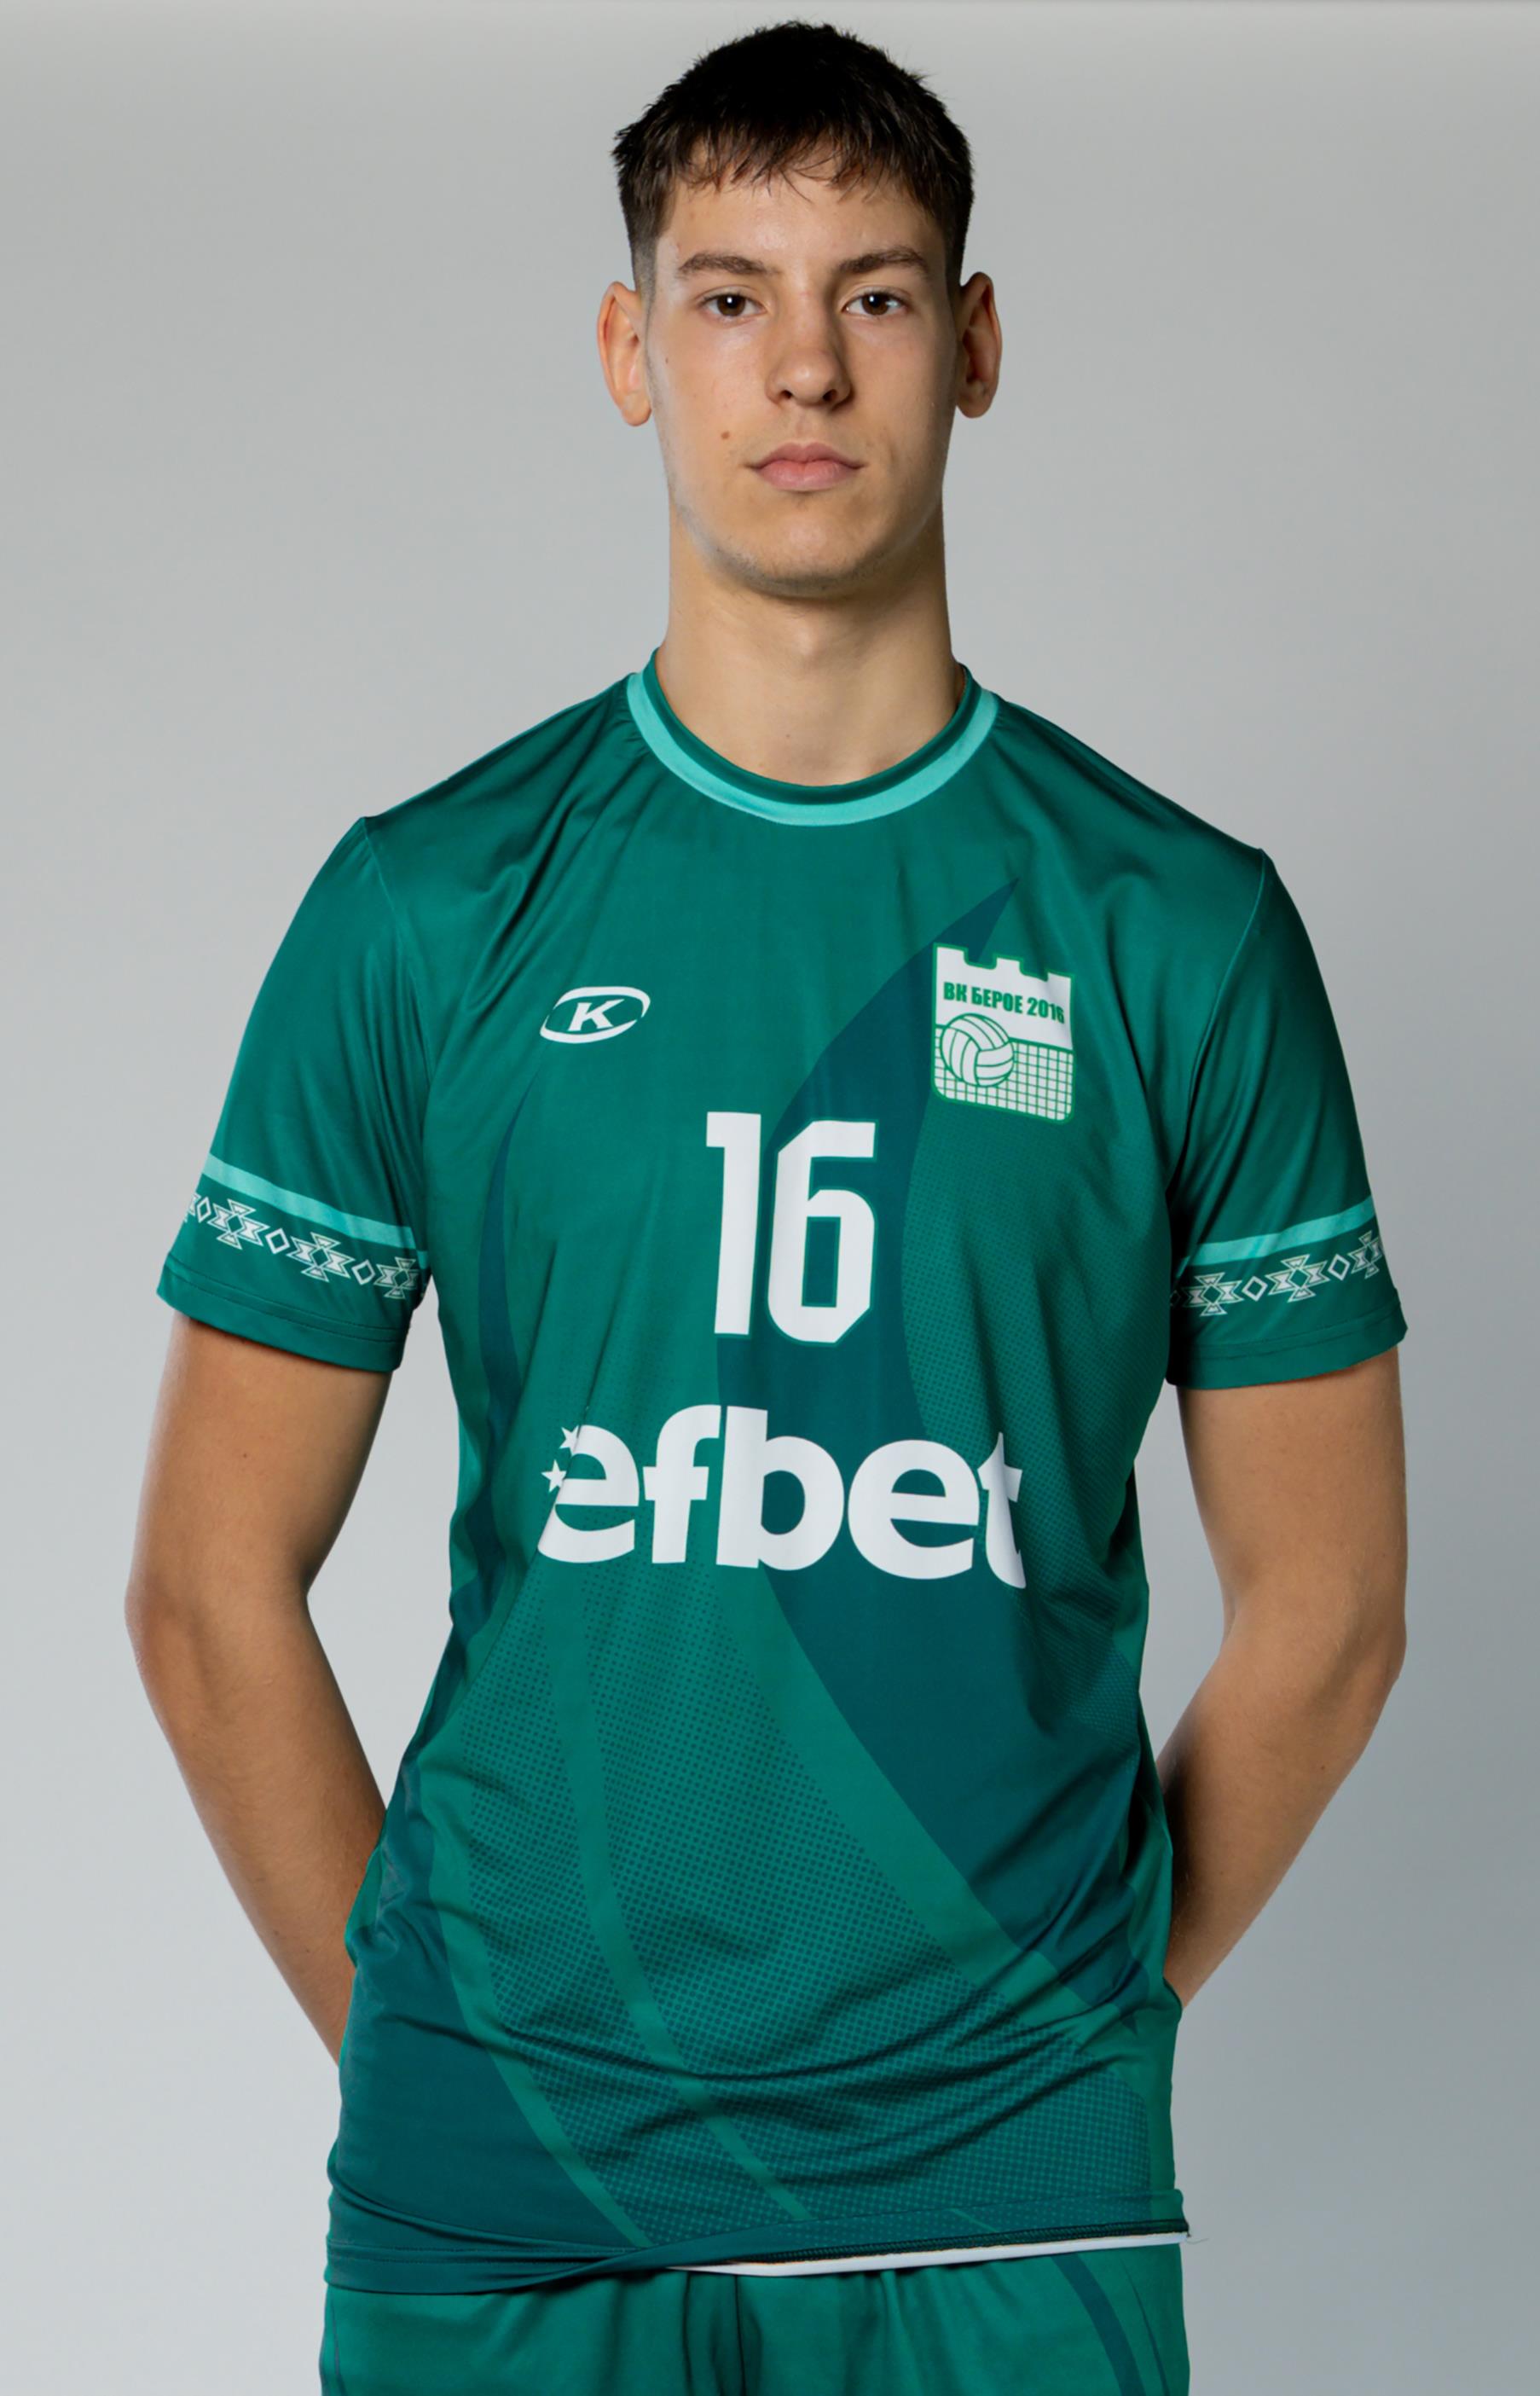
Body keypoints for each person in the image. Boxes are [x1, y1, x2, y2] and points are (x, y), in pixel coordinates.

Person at [126, 20, 1409, 2394]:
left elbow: (1330, 1608)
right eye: (729, 296)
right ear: (633, 350)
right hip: (500, 2209)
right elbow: (208, 1581)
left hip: (1015, 2204)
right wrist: (441, 2048)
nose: (803, 365)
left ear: (977, 342)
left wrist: (1063, 2023)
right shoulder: (427, 909)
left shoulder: (1179, 932)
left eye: (877, 294)